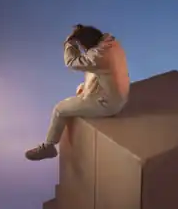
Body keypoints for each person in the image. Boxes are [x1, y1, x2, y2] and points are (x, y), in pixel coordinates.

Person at [25, 24, 130, 161]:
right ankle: (86, 95)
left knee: (59, 109)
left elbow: (71, 62)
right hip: (119, 94)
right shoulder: (112, 44)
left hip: (109, 104)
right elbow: (97, 71)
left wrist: (69, 44)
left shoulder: (97, 56)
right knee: (81, 87)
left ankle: (49, 146)